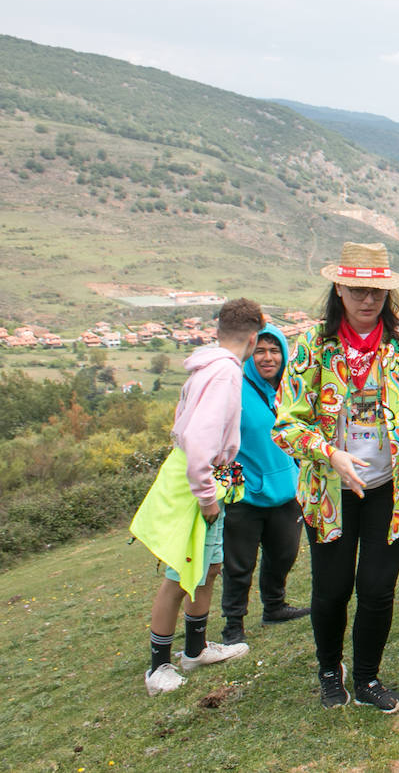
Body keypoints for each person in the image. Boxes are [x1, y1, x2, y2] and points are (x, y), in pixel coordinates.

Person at [275, 242, 399, 712]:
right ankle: (329, 669)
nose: (368, 300)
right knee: (331, 590)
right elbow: (287, 423)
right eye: (359, 290)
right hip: (330, 492)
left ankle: (366, 679)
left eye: (377, 292)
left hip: (392, 488)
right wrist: (330, 454)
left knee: (378, 589)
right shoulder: (313, 346)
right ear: (339, 288)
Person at [131, 297, 263, 695]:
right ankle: (158, 668)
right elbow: (199, 437)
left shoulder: (209, 366)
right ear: (254, 338)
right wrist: (206, 496)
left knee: (208, 567)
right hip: (198, 483)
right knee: (179, 573)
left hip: (209, 478)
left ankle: (195, 648)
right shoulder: (223, 374)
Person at [220, 323, 309, 646]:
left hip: (286, 490)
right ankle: (233, 624)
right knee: (239, 563)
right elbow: (217, 438)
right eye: (260, 350)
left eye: (275, 351)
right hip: (245, 494)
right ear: (249, 352)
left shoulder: (290, 388)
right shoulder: (233, 387)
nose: (267, 358)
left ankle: (274, 606)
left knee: (283, 554)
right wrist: (224, 483)